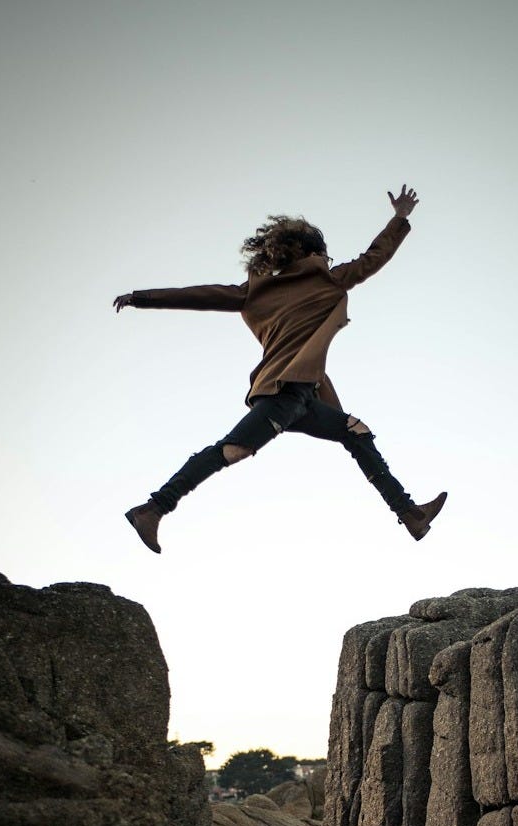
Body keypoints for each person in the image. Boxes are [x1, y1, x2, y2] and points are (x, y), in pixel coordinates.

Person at [114, 184, 446, 554]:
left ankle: (410, 514)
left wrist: (142, 298)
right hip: (282, 393)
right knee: (233, 449)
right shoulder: (327, 279)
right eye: (323, 251)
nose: (327, 257)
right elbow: (374, 257)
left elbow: (199, 293)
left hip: (303, 395)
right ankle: (154, 508)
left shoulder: (256, 290)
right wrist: (399, 218)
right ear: (311, 252)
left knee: (356, 432)